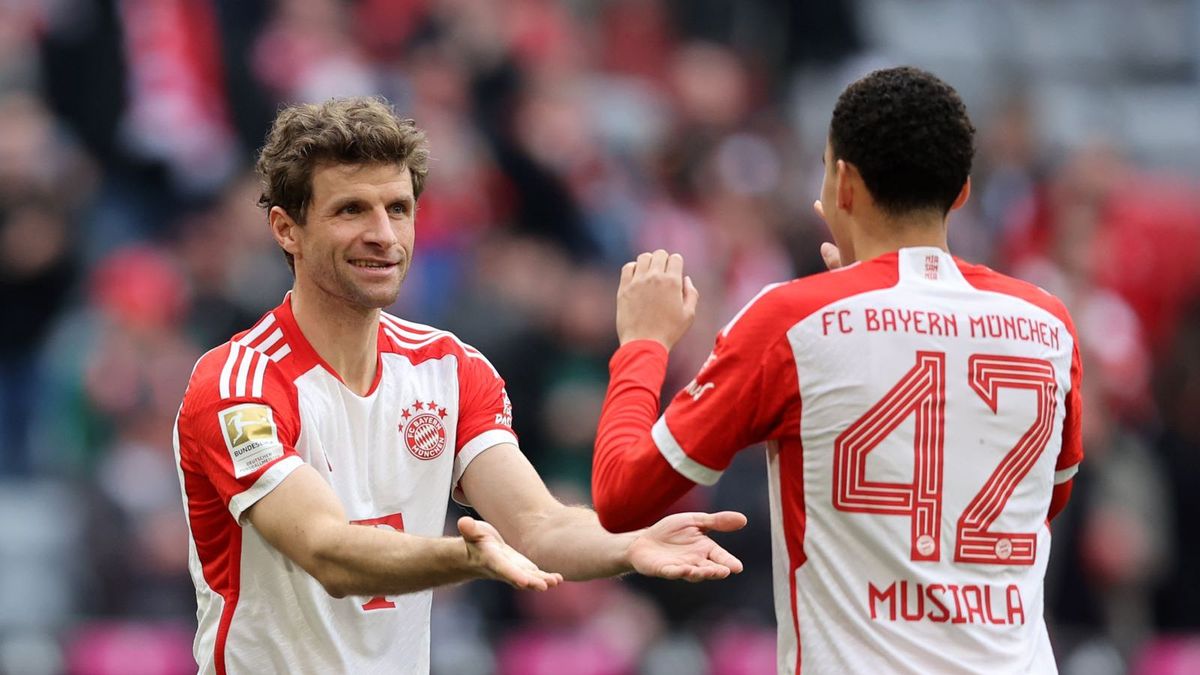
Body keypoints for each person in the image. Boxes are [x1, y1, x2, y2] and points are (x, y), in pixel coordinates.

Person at [172, 97, 747, 675]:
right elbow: (327, 549)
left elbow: (537, 526)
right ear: (286, 229)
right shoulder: (238, 383)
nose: (383, 234)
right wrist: (469, 558)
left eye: (398, 208)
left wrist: (628, 544)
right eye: (351, 210)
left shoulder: (450, 367)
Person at [592, 66, 1083, 674]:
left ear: (843, 183)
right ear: (961, 192)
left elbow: (622, 496)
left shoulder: (791, 322)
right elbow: (1042, 500)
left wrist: (642, 344)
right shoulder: (1048, 322)